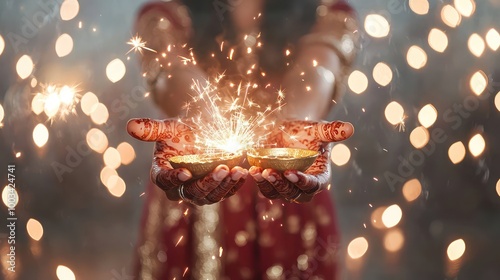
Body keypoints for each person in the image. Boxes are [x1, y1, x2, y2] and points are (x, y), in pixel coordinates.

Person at [127, 0, 359, 279]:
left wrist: (297, 126)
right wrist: (202, 116)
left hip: (292, 189)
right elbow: (172, 72)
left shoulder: (327, 10)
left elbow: (318, 70)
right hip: (192, 173)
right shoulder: (165, 12)